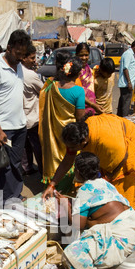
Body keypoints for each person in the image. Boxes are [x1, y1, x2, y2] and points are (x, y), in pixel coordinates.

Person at [57, 152, 135, 269]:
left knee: (71, 254)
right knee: (86, 231)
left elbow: (78, 225)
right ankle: (94, 268)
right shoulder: (105, 184)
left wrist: (65, 205)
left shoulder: (85, 190)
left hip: (120, 239)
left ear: (77, 171)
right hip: (134, 229)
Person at [42, 115, 135, 210]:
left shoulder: (109, 145)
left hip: (126, 143)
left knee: (120, 192)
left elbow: (117, 165)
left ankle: (122, 213)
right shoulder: (83, 132)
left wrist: (106, 180)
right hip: (113, 138)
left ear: (84, 142)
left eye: (72, 148)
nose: (70, 150)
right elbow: (67, 161)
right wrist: (52, 185)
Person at [0, 29, 32, 205]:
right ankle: (6, 200)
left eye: (23, 54)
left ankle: (16, 195)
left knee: (16, 163)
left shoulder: (19, 65)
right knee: (4, 166)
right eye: (18, 53)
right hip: (4, 128)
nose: (21, 57)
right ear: (9, 47)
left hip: (20, 126)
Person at [38, 53, 85, 193]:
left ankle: (51, 187)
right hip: (70, 133)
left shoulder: (51, 86)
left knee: (53, 159)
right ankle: (66, 190)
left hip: (52, 131)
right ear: (76, 74)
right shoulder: (78, 91)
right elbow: (80, 117)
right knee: (69, 159)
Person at [21, 43, 43, 176]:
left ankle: (27, 167)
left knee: (25, 146)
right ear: (24, 58)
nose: (34, 60)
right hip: (32, 117)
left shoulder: (16, 71)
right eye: (32, 58)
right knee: (38, 148)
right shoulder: (30, 75)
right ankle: (42, 172)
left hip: (22, 117)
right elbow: (44, 91)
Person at [117, 39, 135, 117]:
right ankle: (124, 120)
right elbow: (125, 68)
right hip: (126, 84)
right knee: (125, 105)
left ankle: (120, 119)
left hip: (127, 84)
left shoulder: (130, 54)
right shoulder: (128, 54)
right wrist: (129, 82)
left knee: (123, 103)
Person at [75, 43, 101, 115]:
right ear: (76, 55)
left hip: (92, 107)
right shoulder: (74, 71)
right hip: (79, 108)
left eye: (86, 55)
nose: (84, 58)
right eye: (81, 55)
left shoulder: (90, 70)